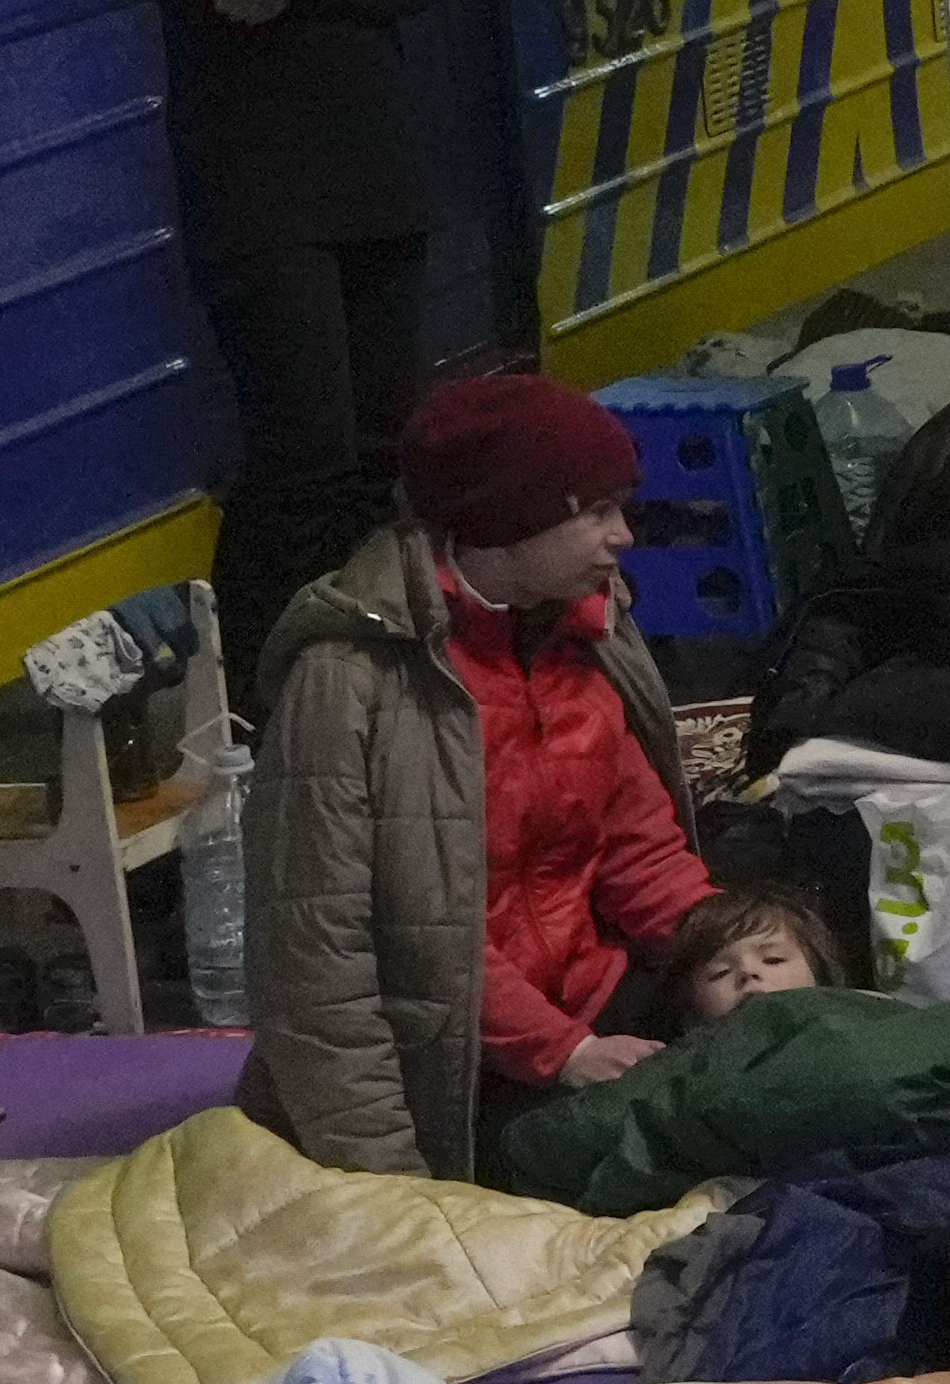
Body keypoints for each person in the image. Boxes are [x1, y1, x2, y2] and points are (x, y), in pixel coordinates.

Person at [245, 369, 714, 1184]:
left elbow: (642, 851)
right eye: (597, 511)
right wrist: (393, 1191)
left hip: (586, 1013)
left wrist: (740, 959)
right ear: (510, 522)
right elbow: (325, 970)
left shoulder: (586, 632)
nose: (624, 537)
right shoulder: (347, 685)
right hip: (454, 1069)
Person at [113, 0, 432, 660]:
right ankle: (256, 677)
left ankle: (353, 667)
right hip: (262, 177)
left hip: (369, 152)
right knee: (304, 453)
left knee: (388, 442)